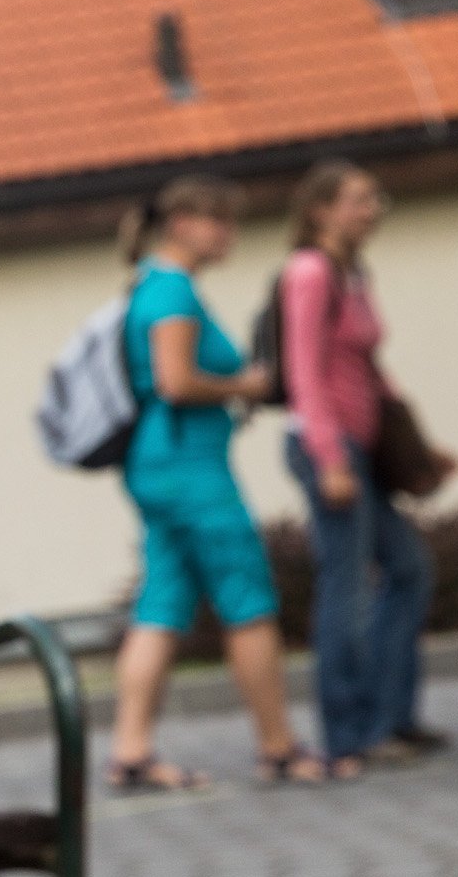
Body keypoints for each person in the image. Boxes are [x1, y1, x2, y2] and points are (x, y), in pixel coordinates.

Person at [103, 175, 333, 790]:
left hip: (156, 465)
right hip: (190, 469)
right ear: (182, 222)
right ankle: (279, 746)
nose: (230, 234)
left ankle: (131, 753)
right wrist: (247, 386)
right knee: (249, 600)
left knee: (162, 603)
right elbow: (177, 382)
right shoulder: (174, 292)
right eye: (220, 221)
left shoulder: (149, 286)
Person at [276, 161, 452, 767]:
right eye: (357, 200)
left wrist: (416, 445)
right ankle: (351, 733)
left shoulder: (354, 274)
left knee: (408, 569)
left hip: (365, 447)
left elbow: (369, 369)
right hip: (328, 447)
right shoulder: (309, 273)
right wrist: (330, 459)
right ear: (320, 210)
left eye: (375, 198)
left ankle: (391, 715)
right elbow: (304, 373)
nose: (371, 209)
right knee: (347, 588)